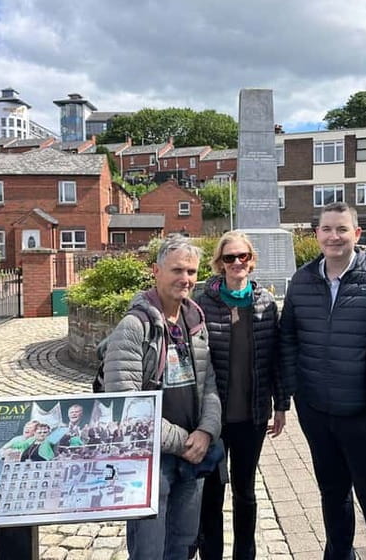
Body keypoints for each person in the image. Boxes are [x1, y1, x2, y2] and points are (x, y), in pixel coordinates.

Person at [279, 202, 366, 559]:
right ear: (317, 234)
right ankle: (339, 554)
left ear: (357, 233)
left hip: (364, 414)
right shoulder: (302, 280)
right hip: (317, 411)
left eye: (342, 229)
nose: (334, 236)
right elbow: (288, 337)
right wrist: (295, 391)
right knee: (332, 492)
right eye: (326, 229)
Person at [102, 235, 221, 559]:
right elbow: (125, 404)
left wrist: (207, 431)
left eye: (192, 271)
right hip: (150, 459)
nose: (186, 279)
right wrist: (184, 442)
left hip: (193, 454)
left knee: (183, 545)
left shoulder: (195, 320)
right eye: (177, 270)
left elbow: (209, 384)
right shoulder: (133, 326)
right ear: (156, 271)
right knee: (149, 550)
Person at [194, 230, 291, 560]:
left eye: (242, 256)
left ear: (251, 261)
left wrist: (281, 405)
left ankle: (244, 554)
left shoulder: (265, 303)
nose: (236, 262)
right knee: (211, 493)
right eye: (229, 257)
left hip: (252, 415)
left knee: (245, 492)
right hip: (213, 418)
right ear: (219, 263)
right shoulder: (202, 303)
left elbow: (276, 358)